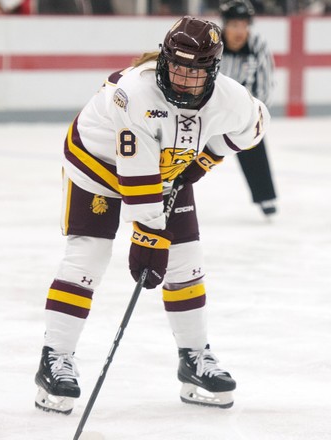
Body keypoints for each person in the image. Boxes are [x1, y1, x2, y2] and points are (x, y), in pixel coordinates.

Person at [34, 15, 270, 415]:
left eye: (196, 72)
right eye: (178, 66)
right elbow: (140, 183)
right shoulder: (134, 94)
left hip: (160, 172)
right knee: (88, 256)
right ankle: (54, 359)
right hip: (97, 166)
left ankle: (193, 359)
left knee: (187, 264)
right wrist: (148, 238)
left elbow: (254, 127)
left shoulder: (230, 97)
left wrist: (207, 159)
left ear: (214, 70)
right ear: (163, 59)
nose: (183, 79)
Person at [219, 0, 277, 216]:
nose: (239, 31)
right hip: (209, 112)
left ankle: (265, 197)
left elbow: (265, 85)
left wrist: (254, 117)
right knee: (185, 150)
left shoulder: (257, 45)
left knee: (254, 145)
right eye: (234, 25)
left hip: (244, 113)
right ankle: (173, 192)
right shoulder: (214, 44)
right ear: (225, 25)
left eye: (244, 25)